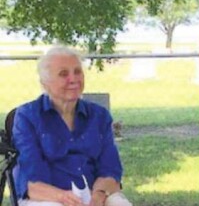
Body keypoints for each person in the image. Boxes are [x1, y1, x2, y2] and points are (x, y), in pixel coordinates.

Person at [12, 46, 132, 206]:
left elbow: (110, 169)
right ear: (45, 83)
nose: (73, 79)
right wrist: (64, 198)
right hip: (47, 197)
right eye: (63, 74)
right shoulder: (27, 116)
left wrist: (98, 195)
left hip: (95, 193)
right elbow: (32, 181)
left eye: (77, 72)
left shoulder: (99, 116)